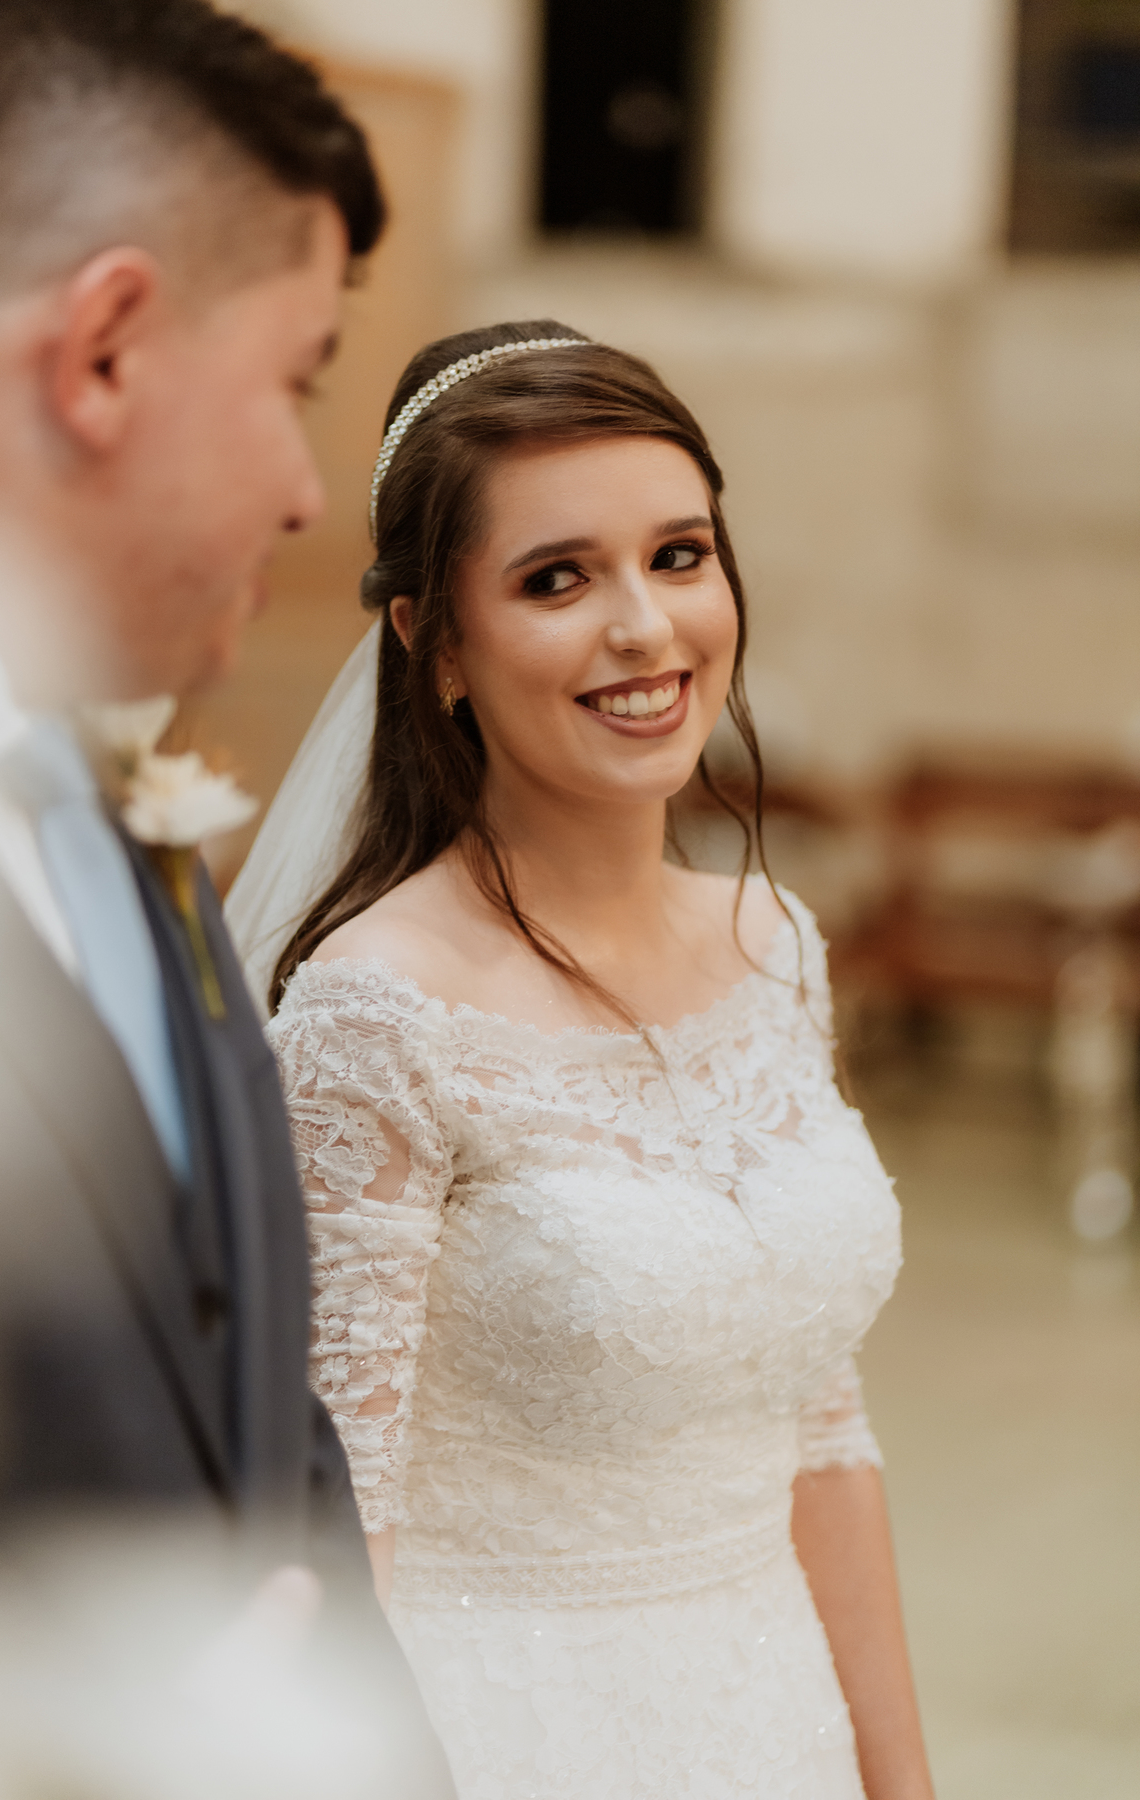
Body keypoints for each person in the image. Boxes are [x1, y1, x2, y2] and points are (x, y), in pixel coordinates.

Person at [229, 321, 935, 1798]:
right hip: (498, 1741)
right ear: (434, 645)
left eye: (680, 556)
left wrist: (898, 1781)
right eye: (557, 579)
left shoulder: (775, 944)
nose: (645, 628)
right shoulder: (376, 1014)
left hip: (776, 1725)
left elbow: (823, 1426)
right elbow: (336, 1514)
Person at [0, 3, 453, 1793]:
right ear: (103, 351)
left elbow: (248, 1382)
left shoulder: (115, 793)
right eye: (297, 381)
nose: (311, 495)